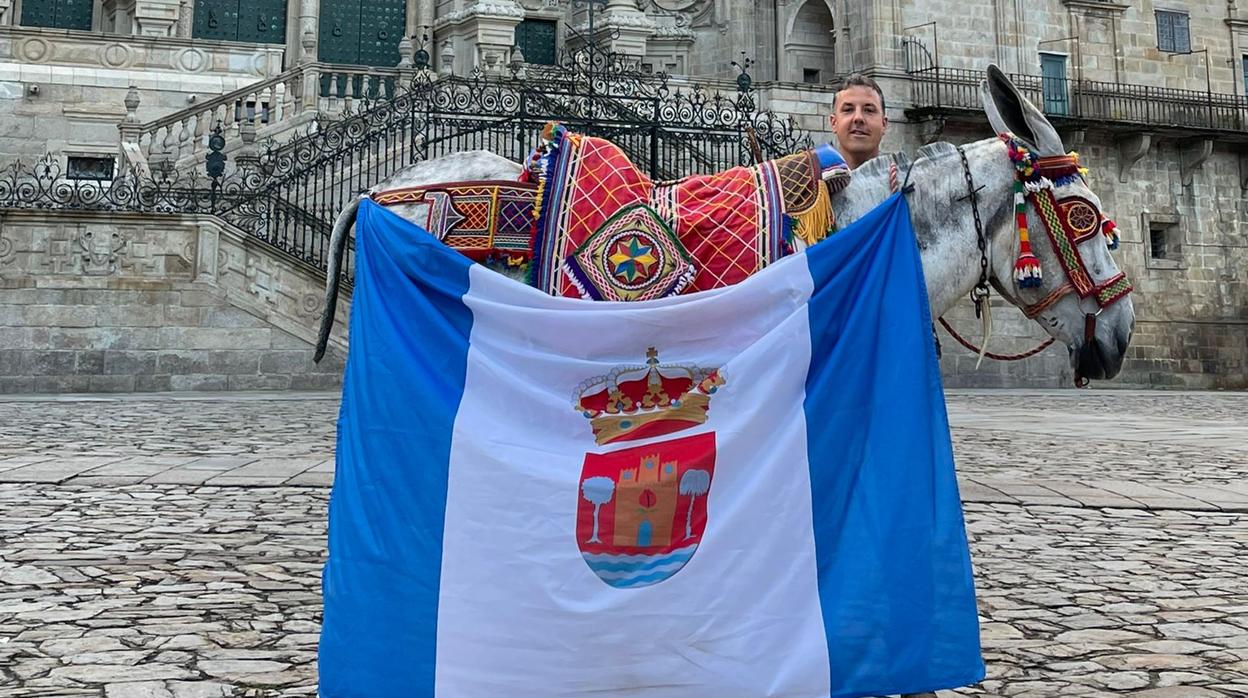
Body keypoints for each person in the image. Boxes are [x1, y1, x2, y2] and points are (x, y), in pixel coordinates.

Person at [829, 73, 889, 170]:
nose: (858, 118)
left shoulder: (907, 182)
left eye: (869, 110)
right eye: (848, 110)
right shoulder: (810, 183)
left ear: (884, 124)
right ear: (834, 122)